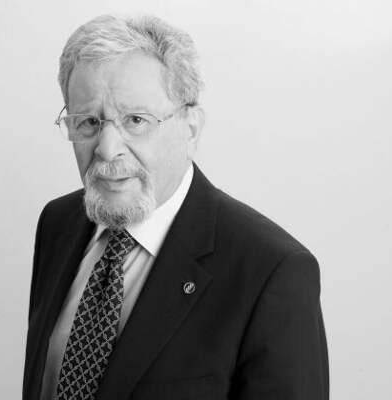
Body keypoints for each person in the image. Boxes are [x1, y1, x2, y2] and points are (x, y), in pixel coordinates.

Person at [23, 14, 329, 400]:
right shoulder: (58, 224)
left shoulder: (271, 272)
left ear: (191, 128)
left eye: (136, 120)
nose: (107, 148)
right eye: (88, 122)